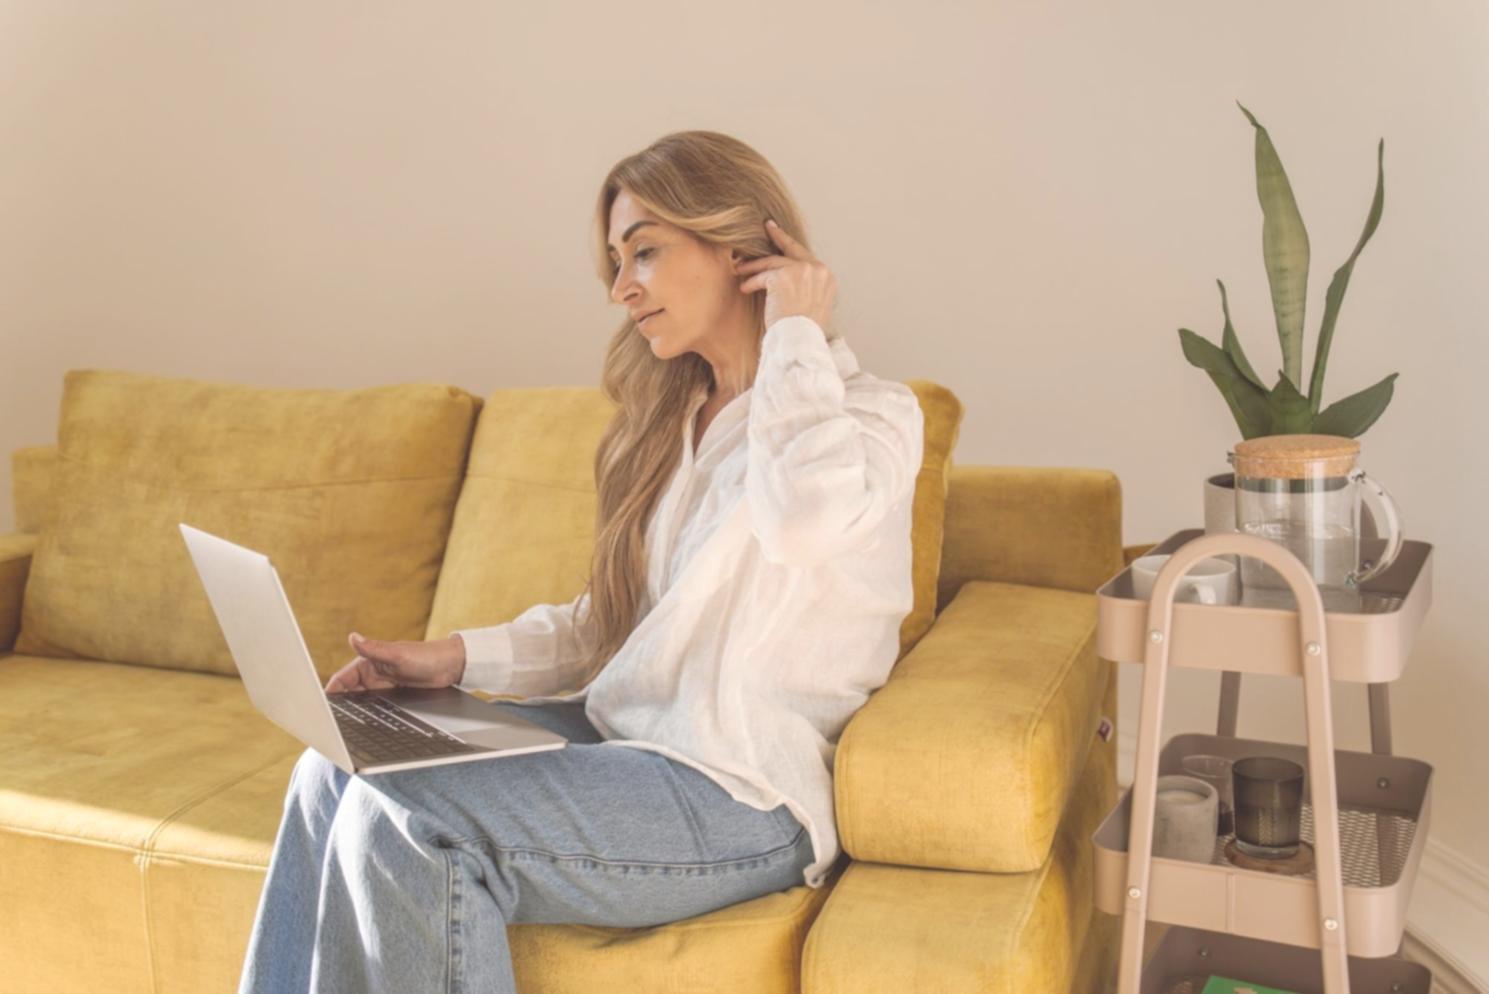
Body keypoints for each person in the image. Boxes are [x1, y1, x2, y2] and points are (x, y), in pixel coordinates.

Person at [237, 129, 925, 994]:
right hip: (621, 740)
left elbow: (802, 524)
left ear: (739, 248)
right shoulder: (674, 426)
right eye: (612, 261)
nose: (619, 287)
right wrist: (447, 659)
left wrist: (792, 328)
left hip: (739, 793)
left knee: (407, 816)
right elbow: (609, 621)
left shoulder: (869, 419)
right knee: (330, 764)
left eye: (643, 251)